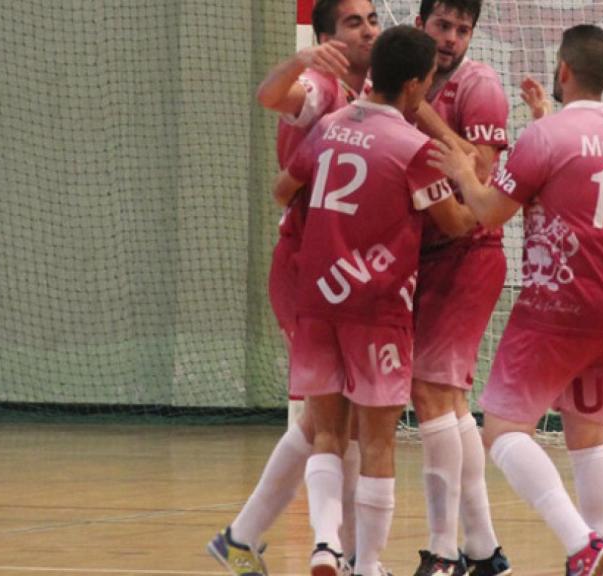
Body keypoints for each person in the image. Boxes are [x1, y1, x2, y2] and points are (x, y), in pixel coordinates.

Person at [429, 24, 603, 576]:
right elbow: (575, 169)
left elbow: (489, 210)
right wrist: (542, 119)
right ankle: (598, 547)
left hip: (556, 305)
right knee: (589, 436)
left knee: (502, 428)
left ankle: (582, 543)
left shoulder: (544, 140)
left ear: (564, 71)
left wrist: (459, 168)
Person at [275, 25, 476, 576]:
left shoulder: (332, 124)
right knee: (378, 443)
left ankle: (324, 546)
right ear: (414, 85)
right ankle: (368, 566)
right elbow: (457, 223)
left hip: (316, 299)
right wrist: (467, 173)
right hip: (377, 308)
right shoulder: (414, 149)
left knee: (327, 433)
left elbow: (281, 190)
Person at [206, 2, 379, 574]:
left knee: (337, 419)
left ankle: (245, 536)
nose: (369, 28)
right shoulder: (317, 87)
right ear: (327, 36)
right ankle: (344, 552)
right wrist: (301, 58)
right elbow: (269, 96)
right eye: (354, 22)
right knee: (335, 420)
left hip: (353, 273)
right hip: (308, 268)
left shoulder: (375, 90)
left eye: (373, 17)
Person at [408, 1, 511, 575]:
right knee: (447, 403)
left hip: (468, 252)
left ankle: (443, 550)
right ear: (422, 24)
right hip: (421, 255)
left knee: (429, 395)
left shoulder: (480, 84)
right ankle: (485, 551)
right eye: (442, 26)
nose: (450, 39)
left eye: (462, 29)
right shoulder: (402, 74)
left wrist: (422, 112)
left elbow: (480, 179)